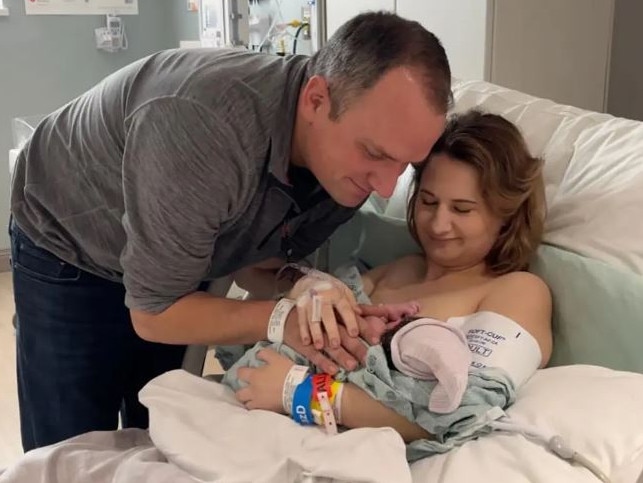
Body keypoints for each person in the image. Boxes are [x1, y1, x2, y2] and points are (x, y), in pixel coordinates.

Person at [9, 12, 451, 451]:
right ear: (316, 100)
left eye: (404, 165)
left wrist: (305, 286)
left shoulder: (343, 170)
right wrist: (283, 320)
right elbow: (154, 313)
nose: (385, 185)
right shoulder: (204, 126)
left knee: (157, 422)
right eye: (374, 153)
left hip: (174, 249)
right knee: (73, 445)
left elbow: (256, 262)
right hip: (69, 233)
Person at [232, 110, 553, 445]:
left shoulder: (518, 290)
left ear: (507, 215)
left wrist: (299, 393)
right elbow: (259, 287)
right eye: (428, 202)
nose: (438, 224)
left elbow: (464, 413)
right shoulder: (397, 270)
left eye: (462, 209)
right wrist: (301, 282)